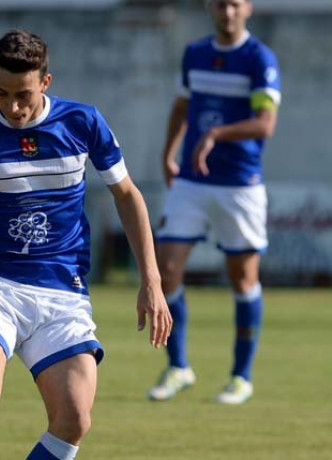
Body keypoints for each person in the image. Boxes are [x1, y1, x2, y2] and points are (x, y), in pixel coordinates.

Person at [0, 30, 171, 460]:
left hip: (63, 289)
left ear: (46, 81)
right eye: (1, 93)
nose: (13, 107)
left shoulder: (82, 122)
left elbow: (127, 195)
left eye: (23, 94)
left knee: (74, 420)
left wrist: (150, 280)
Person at [148, 0, 280, 405]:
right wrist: (168, 153)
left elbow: (265, 124)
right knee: (165, 270)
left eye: (235, 4)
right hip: (191, 179)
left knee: (242, 278)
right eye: (221, 3)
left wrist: (216, 135)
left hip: (239, 184)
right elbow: (183, 105)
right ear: (211, 6)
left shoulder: (259, 59)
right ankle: (178, 366)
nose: (227, 11)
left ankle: (241, 376)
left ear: (248, 9)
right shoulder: (195, 53)